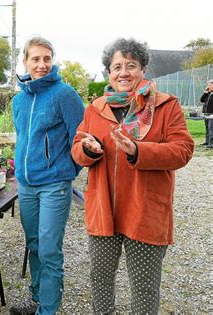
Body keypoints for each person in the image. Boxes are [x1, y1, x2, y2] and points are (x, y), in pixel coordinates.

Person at [71, 38, 194, 314]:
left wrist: (139, 150)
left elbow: (183, 150)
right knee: (100, 281)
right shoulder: (96, 109)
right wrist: (88, 150)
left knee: (144, 286)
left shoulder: (165, 106)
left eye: (131, 65)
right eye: (116, 67)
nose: (123, 72)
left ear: (143, 69)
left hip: (144, 213)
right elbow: (76, 151)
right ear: (108, 73)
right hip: (103, 212)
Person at [10, 36, 85, 315]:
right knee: (34, 245)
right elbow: (23, 138)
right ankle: (36, 297)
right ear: (26, 62)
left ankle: (47, 310)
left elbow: (81, 140)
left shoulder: (64, 94)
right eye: (36, 59)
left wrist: (66, 173)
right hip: (27, 186)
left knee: (50, 250)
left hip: (54, 186)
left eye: (46, 58)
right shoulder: (19, 100)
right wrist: (21, 167)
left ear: (52, 61)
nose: (41, 64)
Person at [200, 79, 213, 147]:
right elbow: (201, 100)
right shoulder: (208, 93)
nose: (208, 86)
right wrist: (205, 92)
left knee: (211, 128)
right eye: (208, 85)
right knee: (207, 128)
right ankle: (207, 142)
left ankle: (211, 144)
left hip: (212, 114)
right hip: (206, 114)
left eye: (209, 85)